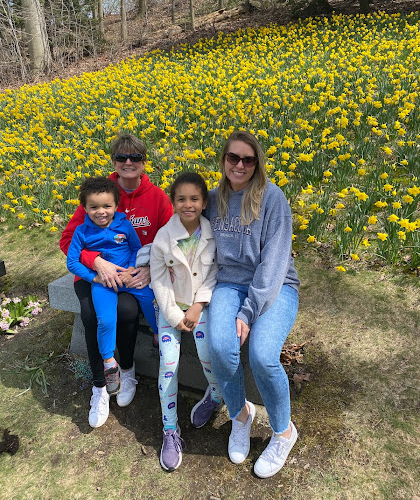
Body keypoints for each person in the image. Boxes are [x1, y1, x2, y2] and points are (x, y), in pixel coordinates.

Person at [60, 133, 172, 428]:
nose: (128, 162)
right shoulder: (99, 194)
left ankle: (128, 371)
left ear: (145, 162)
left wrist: (147, 268)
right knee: (93, 314)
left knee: (129, 310)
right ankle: (100, 386)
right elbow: (68, 240)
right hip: (95, 275)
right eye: (121, 157)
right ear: (114, 161)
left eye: (135, 157)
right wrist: (96, 263)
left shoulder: (157, 198)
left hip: (135, 272)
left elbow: (172, 237)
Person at [205, 130, 300, 479]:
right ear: (224, 160)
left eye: (248, 159)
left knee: (262, 355)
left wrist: (249, 311)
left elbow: (274, 265)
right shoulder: (213, 199)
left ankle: (284, 432)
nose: (240, 165)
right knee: (220, 344)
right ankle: (241, 415)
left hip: (276, 287)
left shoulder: (272, 199)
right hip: (228, 284)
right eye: (234, 158)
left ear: (257, 162)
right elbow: (184, 234)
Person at [150, 172, 223, 472]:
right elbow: (158, 279)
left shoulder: (212, 234)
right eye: (181, 199)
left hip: (200, 308)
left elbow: (215, 273)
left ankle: (215, 397)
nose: (188, 205)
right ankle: (170, 429)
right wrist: (174, 316)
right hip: (170, 312)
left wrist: (197, 306)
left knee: (209, 355)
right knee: (168, 367)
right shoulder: (163, 238)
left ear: (204, 202)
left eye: (194, 199)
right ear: (173, 202)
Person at [67, 177, 158, 396]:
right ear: (85, 208)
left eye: (107, 206)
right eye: (94, 207)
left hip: (127, 277)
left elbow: (136, 248)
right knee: (105, 319)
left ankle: (159, 334)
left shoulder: (124, 224)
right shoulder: (81, 232)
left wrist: (131, 269)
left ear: (116, 206)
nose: (101, 212)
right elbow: (72, 262)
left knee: (151, 300)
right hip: (104, 283)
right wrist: (94, 277)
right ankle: (109, 362)